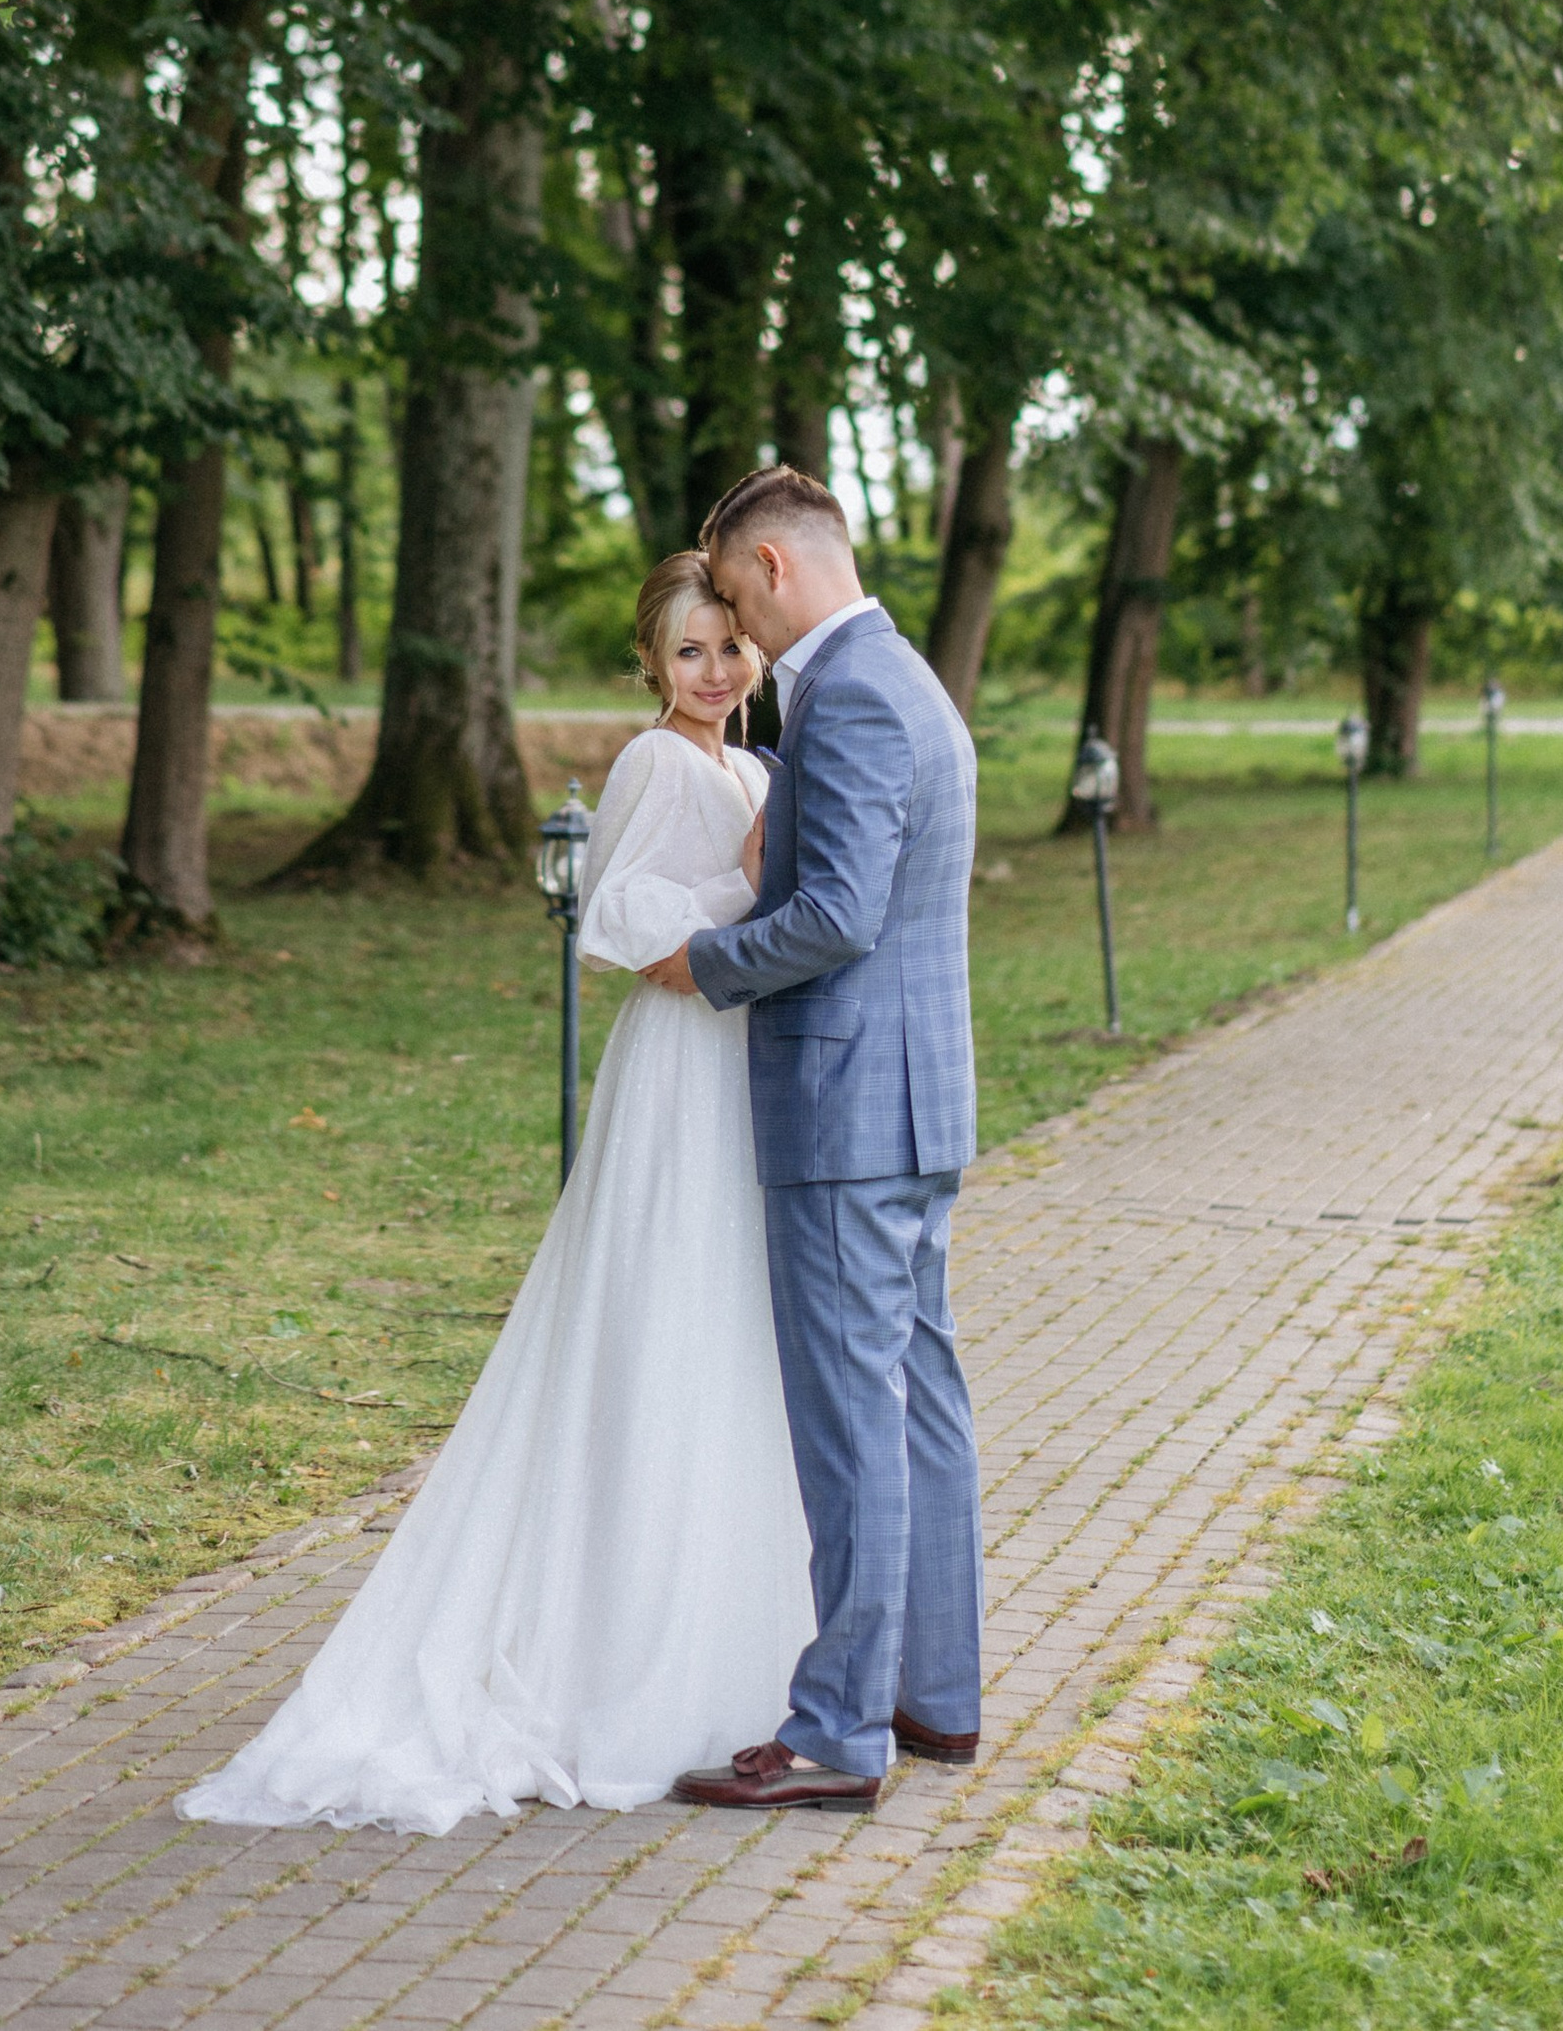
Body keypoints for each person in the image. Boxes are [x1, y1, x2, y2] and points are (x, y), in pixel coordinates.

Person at [177, 554, 813, 1836]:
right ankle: (616, 1657)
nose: (713, 672)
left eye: (728, 649)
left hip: (745, 1059)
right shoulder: (654, 766)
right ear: (653, 666)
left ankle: (735, 1640)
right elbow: (615, 913)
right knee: (662, 1325)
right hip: (679, 1064)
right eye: (687, 653)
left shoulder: (757, 767)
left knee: (733, 1337)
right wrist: (743, 879)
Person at [646, 465, 982, 1813]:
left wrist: (705, 963)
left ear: (774, 570)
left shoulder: (840, 695)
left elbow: (838, 913)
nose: (737, 632)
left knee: (851, 1426)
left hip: (845, 1112)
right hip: (917, 1100)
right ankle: (935, 1700)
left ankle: (840, 1728)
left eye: (733, 599)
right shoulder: (916, 680)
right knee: (923, 1406)